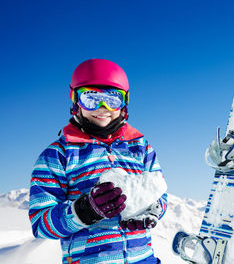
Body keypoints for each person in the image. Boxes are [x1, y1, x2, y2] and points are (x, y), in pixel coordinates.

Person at [28, 58, 167, 264]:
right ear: (75, 100)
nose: (102, 108)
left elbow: (160, 194)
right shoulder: (58, 155)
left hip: (144, 259)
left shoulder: (140, 148)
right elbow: (40, 223)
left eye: (112, 99)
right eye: (91, 98)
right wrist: (84, 211)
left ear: (124, 103)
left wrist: (152, 207)